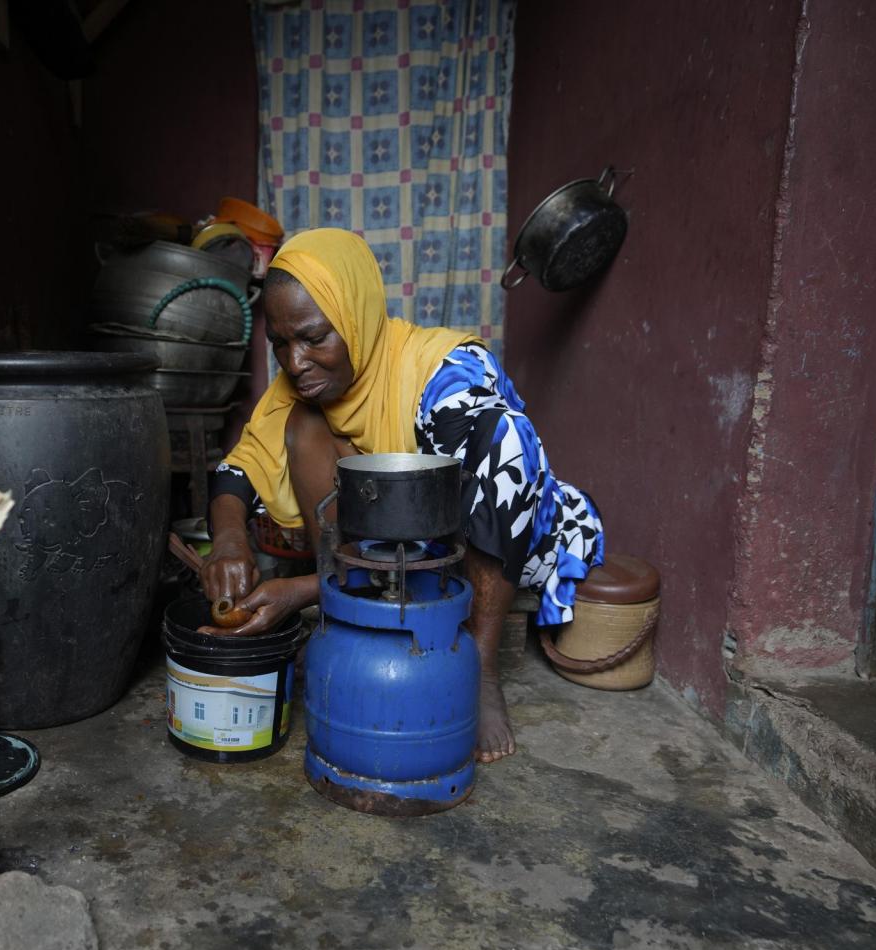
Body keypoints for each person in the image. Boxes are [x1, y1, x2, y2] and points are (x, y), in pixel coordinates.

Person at [200, 228, 603, 763]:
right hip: (383, 555)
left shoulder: (440, 370)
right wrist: (228, 541)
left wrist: (297, 591)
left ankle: (478, 665)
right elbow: (238, 471)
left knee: (502, 439)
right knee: (301, 425)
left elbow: (503, 467)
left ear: (356, 319)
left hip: (483, 543)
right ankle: (344, 606)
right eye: (279, 342)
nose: (294, 362)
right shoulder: (297, 391)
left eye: (314, 337)